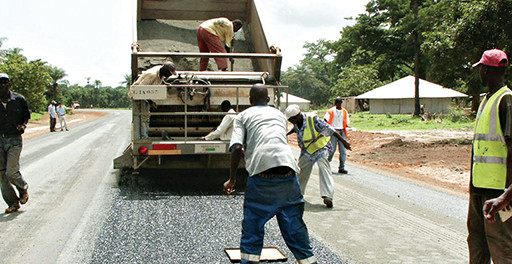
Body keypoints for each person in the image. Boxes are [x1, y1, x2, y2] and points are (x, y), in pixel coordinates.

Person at [224, 84, 317, 264]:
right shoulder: (280, 116)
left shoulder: (242, 116)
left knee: (253, 226)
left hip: (262, 177)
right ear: (268, 100)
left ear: (250, 101)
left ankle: (250, 261)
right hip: (289, 174)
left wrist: (232, 180)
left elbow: (236, 147)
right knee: (295, 228)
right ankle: (309, 261)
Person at [467, 48, 512, 264]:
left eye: (481, 69)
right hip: (479, 189)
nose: (480, 73)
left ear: (486, 70)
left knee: (502, 248)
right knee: (477, 243)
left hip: (499, 195)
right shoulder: (487, 100)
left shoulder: (506, 101)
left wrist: (507, 196)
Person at [285, 104, 351, 208]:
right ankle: (297, 194)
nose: (290, 122)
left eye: (291, 120)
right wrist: (286, 134)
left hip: (321, 148)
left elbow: (330, 129)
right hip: (308, 150)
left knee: (324, 168)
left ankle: (328, 196)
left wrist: (344, 142)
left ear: (297, 116)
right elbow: (295, 129)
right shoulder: (297, 123)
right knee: (302, 170)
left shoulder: (313, 120)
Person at [0, 73, 30, 214]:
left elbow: (26, 117)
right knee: (1, 174)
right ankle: (13, 203)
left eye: (5, 82)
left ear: (9, 84)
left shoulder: (19, 100)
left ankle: (23, 189)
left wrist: (22, 125)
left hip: (14, 140)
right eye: (0, 83)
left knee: (11, 172)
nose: (2, 85)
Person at [129, 62, 177, 139]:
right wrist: (151, 102)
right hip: (137, 95)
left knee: (146, 115)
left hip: (145, 95)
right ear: (166, 71)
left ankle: (144, 135)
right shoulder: (152, 75)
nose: (170, 75)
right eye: (170, 73)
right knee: (142, 116)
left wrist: (165, 84)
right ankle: (143, 137)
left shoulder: (160, 71)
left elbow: (156, 82)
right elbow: (141, 90)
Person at [324, 97, 350, 174]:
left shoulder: (345, 111)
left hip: (342, 132)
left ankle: (342, 168)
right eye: (337, 103)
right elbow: (325, 120)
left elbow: (347, 122)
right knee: (332, 150)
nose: (339, 104)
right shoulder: (331, 111)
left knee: (343, 151)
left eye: (340, 103)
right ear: (335, 103)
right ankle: (326, 165)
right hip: (333, 132)